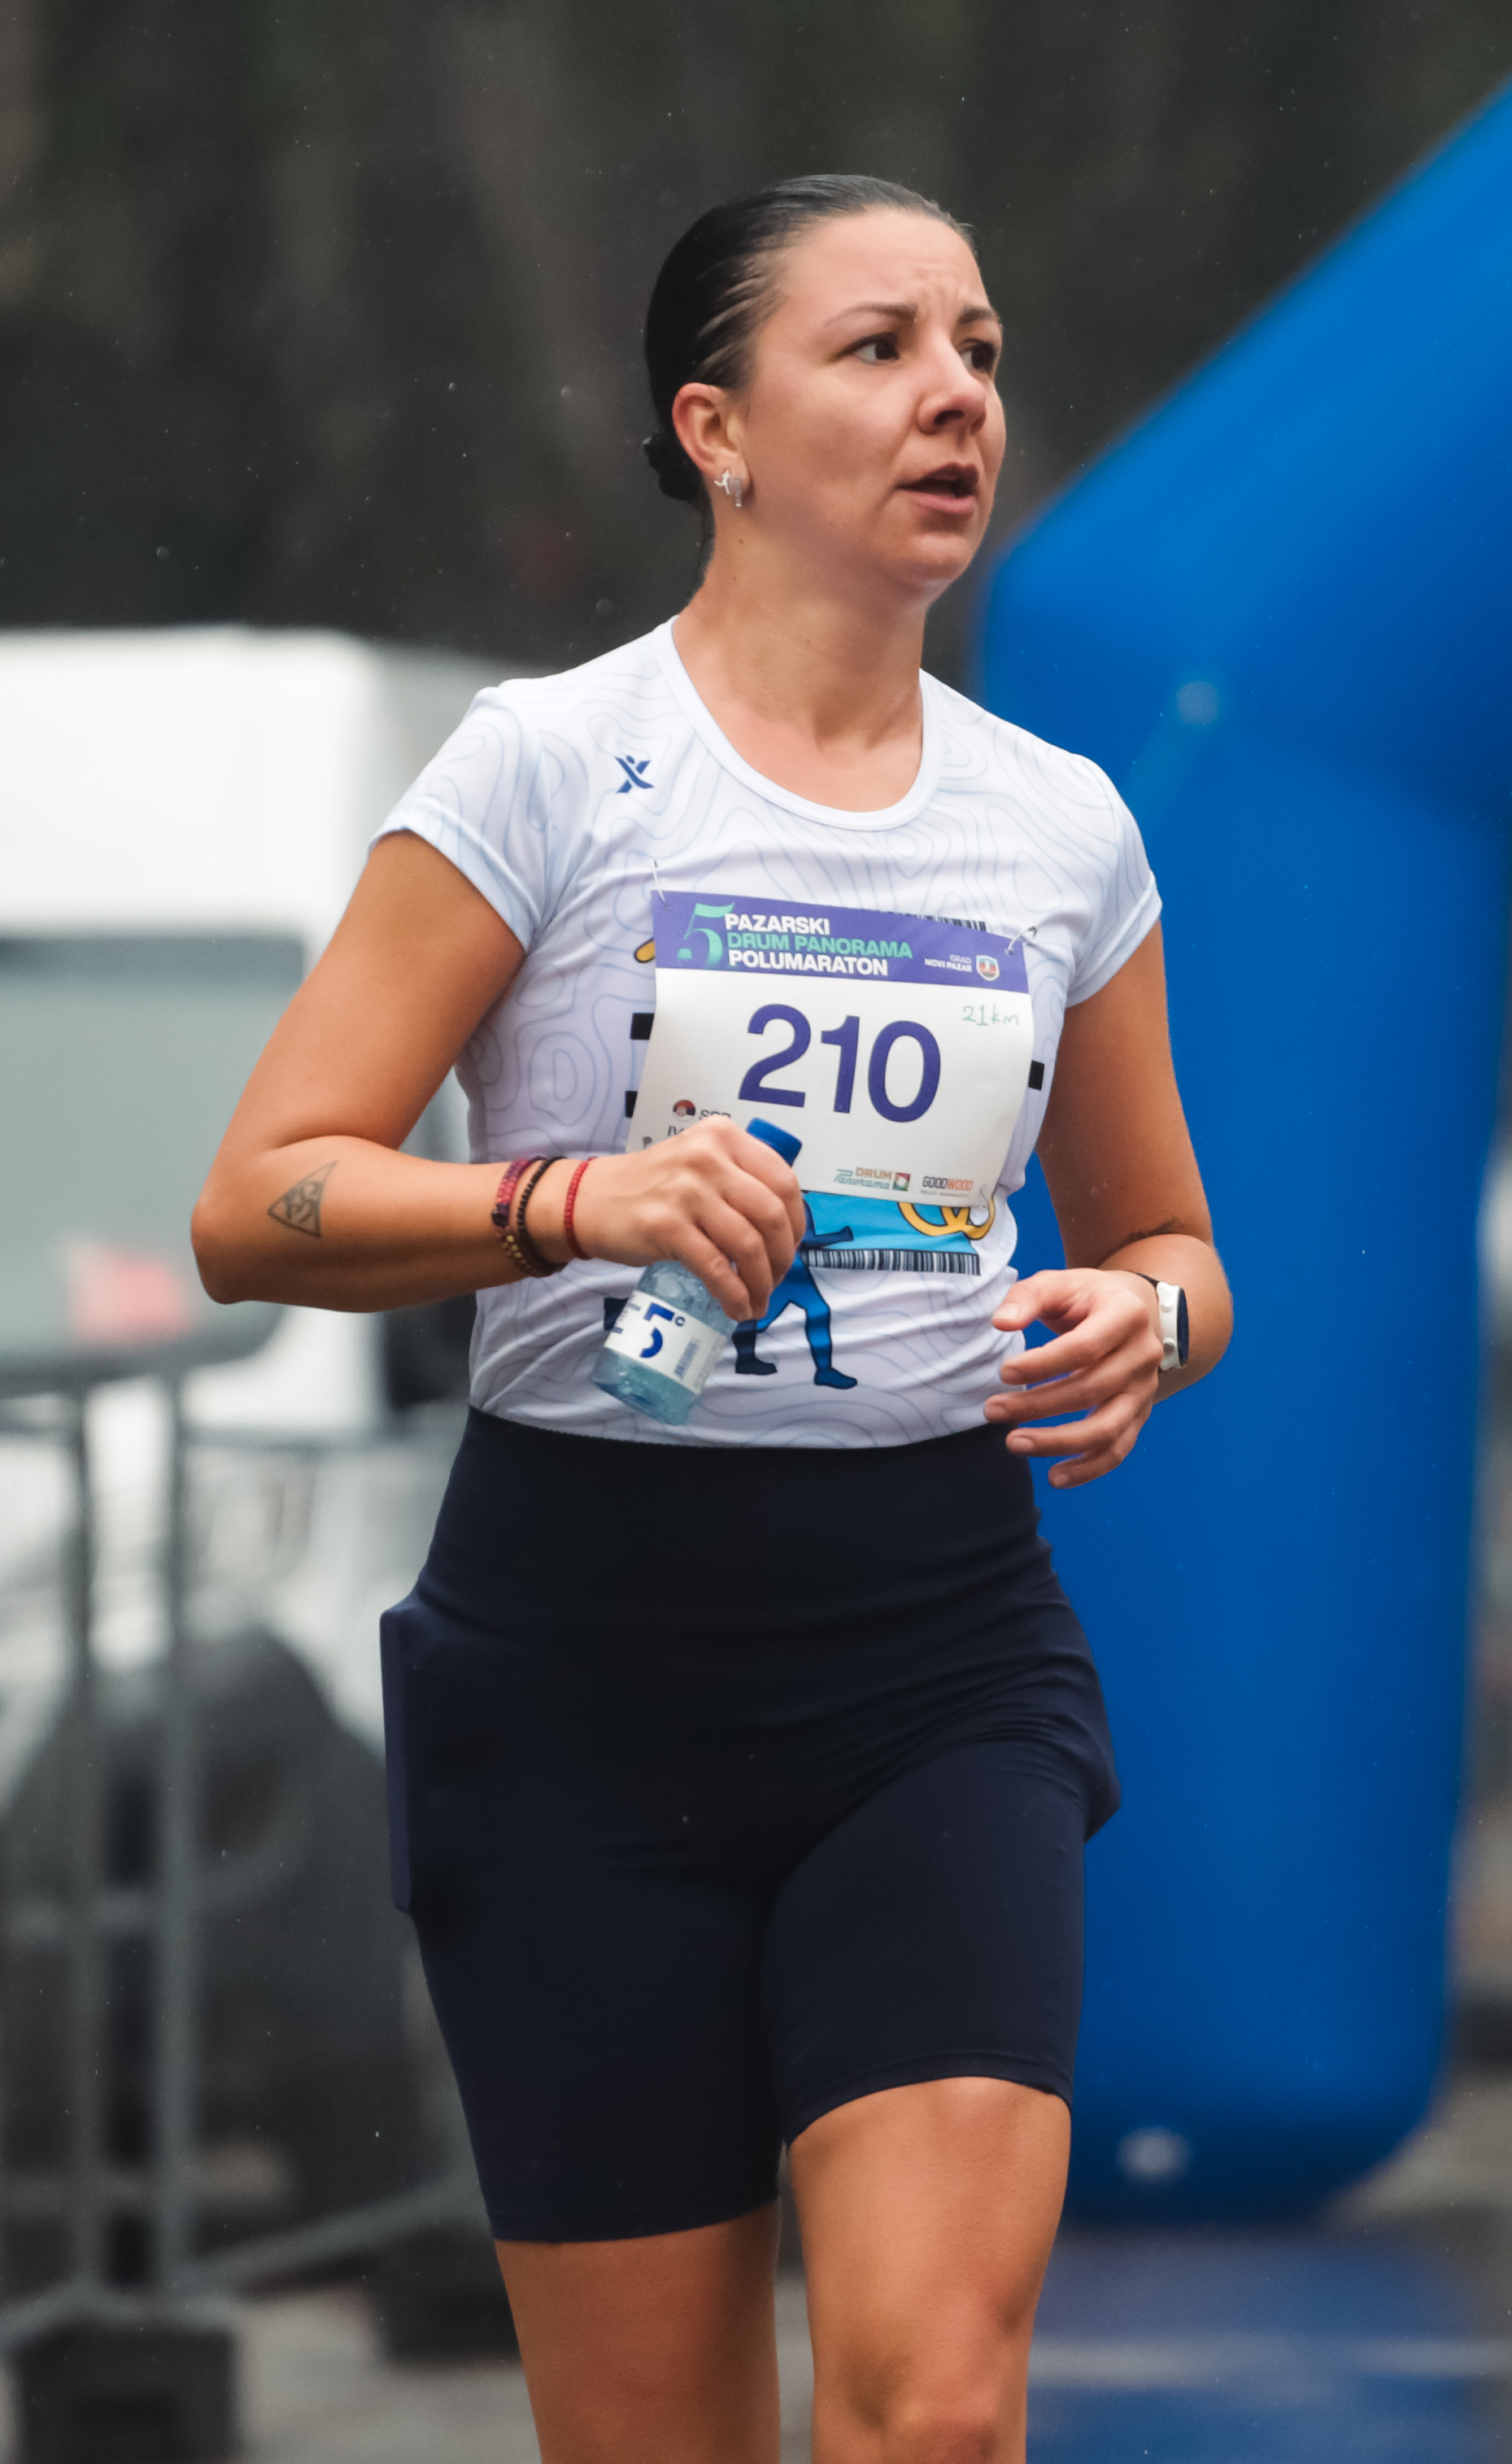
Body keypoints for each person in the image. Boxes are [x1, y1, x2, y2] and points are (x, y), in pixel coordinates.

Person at [194, 174, 1231, 2464]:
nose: (955, 395)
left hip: (934, 1665)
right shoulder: (549, 767)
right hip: (579, 1679)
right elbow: (256, 1202)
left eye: (978, 349)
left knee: (933, 2410)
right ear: (717, 430)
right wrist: (570, 1200)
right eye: (878, 347)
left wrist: (1142, 1326)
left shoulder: (1061, 828)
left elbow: (1175, 1243)